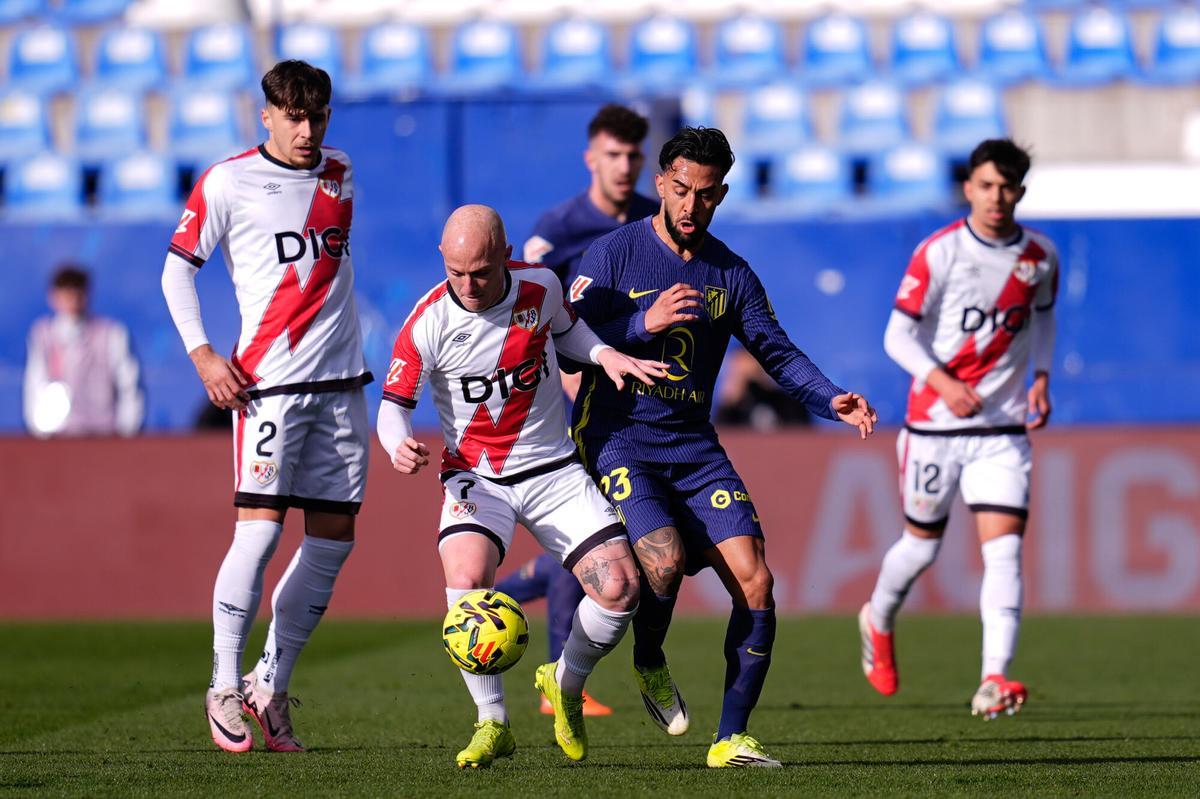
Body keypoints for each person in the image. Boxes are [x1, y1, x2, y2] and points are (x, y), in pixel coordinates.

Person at [568, 127, 878, 768]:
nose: (690, 206)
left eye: (705, 196)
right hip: (618, 434)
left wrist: (830, 399)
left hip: (692, 444)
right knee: (662, 560)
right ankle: (649, 657)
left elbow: (776, 349)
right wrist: (639, 324)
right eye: (680, 190)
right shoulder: (611, 256)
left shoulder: (730, 274)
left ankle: (730, 738)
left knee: (757, 580)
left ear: (722, 195)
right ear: (660, 184)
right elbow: (568, 334)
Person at [377, 205, 667, 768]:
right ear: (443, 259)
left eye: (481, 272)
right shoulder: (427, 321)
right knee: (466, 577)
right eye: (456, 272)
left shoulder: (542, 286)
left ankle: (565, 679)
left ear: (505, 254)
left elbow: (569, 331)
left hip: (554, 469)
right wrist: (396, 444)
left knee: (621, 588)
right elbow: (393, 407)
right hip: (476, 477)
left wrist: (606, 355)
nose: (468, 285)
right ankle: (492, 723)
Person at [161, 60, 373, 754]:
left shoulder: (338, 171)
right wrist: (202, 356)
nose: (307, 130)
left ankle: (268, 683)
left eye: (317, 116)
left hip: (342, 386)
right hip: (269, 387)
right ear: (267, 115)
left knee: (333, 542)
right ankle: (223, 682)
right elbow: (177, 269)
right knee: (257, 535)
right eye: (293, 116)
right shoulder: (228, 181)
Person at [858, 139, 1057, 720]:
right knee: (921, 549)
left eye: (1009, 187)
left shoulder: (1040, 257)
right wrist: (942, 382)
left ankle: (994, 678)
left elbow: (1042, 319)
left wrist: (1040, 377)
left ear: (1020, 192)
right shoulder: (940, 252)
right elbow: (897, 337)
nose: (998, 197)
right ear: (969, 186)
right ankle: (878, 616)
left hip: (1001, 429)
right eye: (987, 185)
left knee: (1006, 555)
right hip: (934, 427)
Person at [495, 103, 658, 717]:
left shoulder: (654, 221)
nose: (624, 166)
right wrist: (563, 378)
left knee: (628, 540)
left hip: (642, 405)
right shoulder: (558, 229)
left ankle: (505, 594)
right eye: (613, 155)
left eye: (633, 156)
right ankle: (562, 682)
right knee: (596, 535)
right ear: (592, 158)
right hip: (576, 402)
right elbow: (526, 305)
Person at [24, 265, 143, 437]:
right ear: (53, 296)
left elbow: (129, 384)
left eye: (77, 292)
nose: (72, 299)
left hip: (105, 435)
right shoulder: (41, 334)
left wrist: (127, 431)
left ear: (88, 294)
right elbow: (35, 382)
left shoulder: (112, 333)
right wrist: (40, 431)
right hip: (58, 438)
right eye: (66, 293)